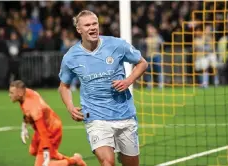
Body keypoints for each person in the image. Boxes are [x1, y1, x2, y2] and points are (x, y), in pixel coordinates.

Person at [58, 10, 148, 166]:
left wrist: (128, 81)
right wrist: (70, 107)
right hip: (95, 117)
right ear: (79, 29)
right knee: (107, 162)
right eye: (87, 25)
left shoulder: (117, 45)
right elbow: (63, 86)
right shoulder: (71, 57)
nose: (92, 27)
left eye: (95, 24)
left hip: (124, 114)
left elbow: (142, 63)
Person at [8, 80, 86, 166]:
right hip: (47, 126)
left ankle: (75, 160)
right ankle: (64, 157)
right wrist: (24, 125)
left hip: (51, 131)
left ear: (19, 93)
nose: (9, 95)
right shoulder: (26, 93)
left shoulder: (34, 109)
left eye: (11, 93)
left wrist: (46, 153)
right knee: (33, 151)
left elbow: (43, 133)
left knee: (44, 165)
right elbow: (26, 110)